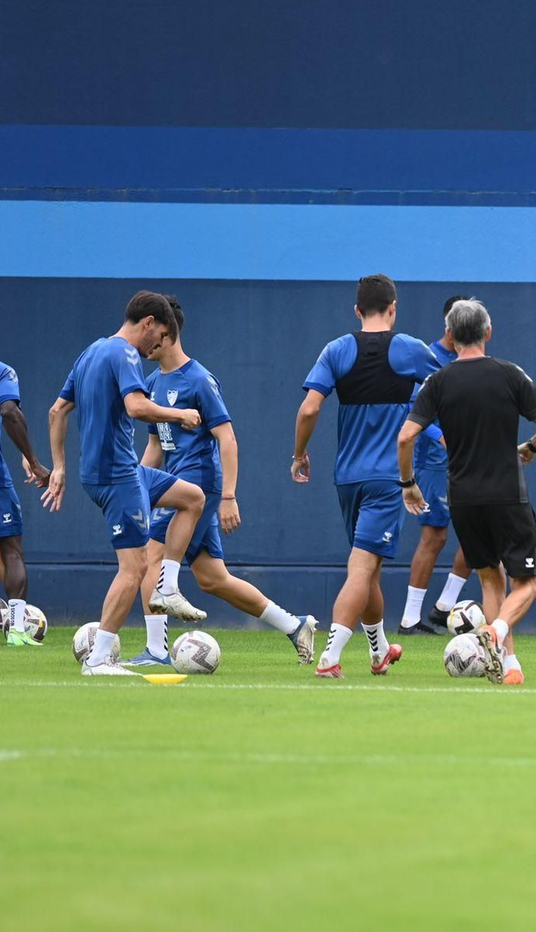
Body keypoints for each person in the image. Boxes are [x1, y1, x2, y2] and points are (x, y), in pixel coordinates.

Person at [127, 298, 318, 667]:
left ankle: (156, 651)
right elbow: (155, 445)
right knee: (214, 579)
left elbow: (227, 438)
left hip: (199, 484)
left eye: (148, 333)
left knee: (149, 555)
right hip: (175, 483)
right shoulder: (151, 383)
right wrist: (137, 488)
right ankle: (295, 626)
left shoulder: (198, 378)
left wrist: (229, 496)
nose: (140, 341)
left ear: (166, 333)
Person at [43, 291, 209, 676]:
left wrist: (60, 467)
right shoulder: (125, 354)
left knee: (192, 497)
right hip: (117, 475)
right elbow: (136, 407)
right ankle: (99, 659)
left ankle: (167, 585)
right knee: (133, 569)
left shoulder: (91, 352)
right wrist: (180, 413)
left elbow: (56, 411)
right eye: (162, 335)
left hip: (116, 472)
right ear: (148, 323)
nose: (161, 345)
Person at [398, 300, 536, 686]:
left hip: (463, 498)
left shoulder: (436, 382)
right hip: (507, 493)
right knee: (528, 583)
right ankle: (495, 631)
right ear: (488, 332)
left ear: (451, 337)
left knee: (490, 578)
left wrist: (408, 483)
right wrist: (531, 448)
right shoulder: (509, 374)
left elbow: (406, 437)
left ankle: (509, 666)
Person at [293, 274, 440, 679]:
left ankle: (378, 653)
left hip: (348, 480)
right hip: (388, 480)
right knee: (361, 570)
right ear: (393, 307)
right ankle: (330, 657)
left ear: (357, 310)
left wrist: (300, 453)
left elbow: (308, 410)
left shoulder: (336, 349)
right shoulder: (410, 349)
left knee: (369, 569)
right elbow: (446, 386)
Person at [399, 295, 474, 635]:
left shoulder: (472, 359)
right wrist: (440, 436)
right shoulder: (428, 359)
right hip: (435, 465)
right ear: (449, 325)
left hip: (470, 460)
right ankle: (409, 619)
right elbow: (413, 411)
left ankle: (444, 607)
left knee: (477, 535)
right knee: (435, 536)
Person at [0, 337, 53, 647]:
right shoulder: (0, 372)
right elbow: (9, 412)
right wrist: (34, 460)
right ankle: (16, 629)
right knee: (11, 550)